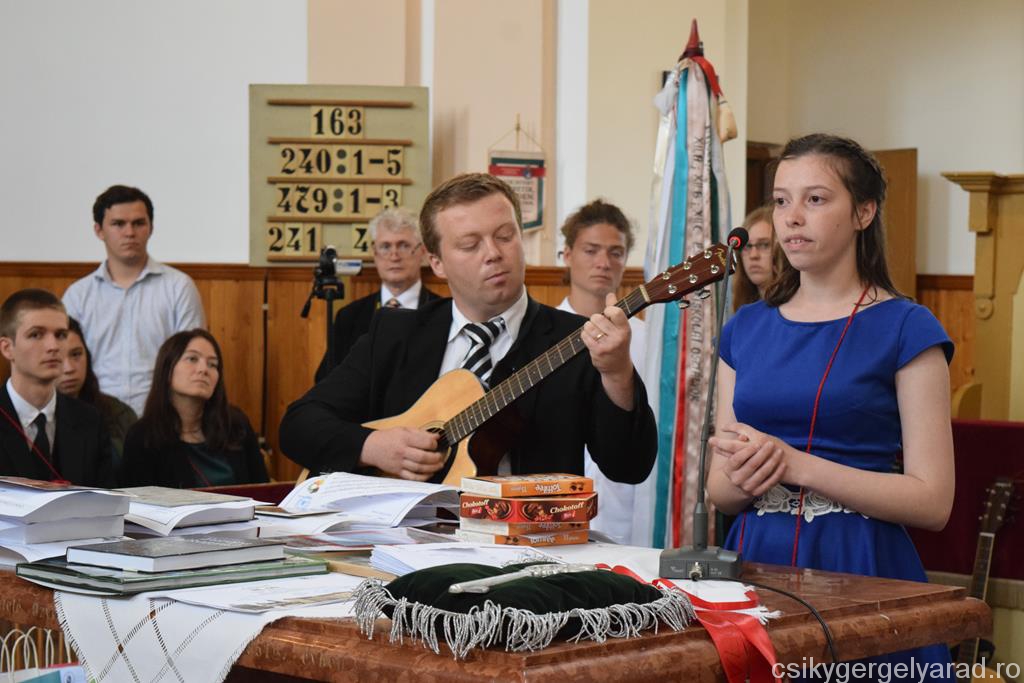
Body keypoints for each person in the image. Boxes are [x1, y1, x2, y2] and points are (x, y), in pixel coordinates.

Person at [707, 134, 955, 678]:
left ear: (864, 212)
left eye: (815, 199)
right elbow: (719, 491)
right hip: (756, 559)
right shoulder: (745, 328)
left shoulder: (907, 328)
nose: (792, 217)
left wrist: (796, 465)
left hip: (860, 563)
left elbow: (933, 501)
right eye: (781, 200)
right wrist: (742, 475)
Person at [281, 173, 657, 483]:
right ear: (437, 262)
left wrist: (617, 373)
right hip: (398, 539)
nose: (493, 253)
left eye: (505, 236)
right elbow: (299, 425)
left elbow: (630, 467)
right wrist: (373, 447)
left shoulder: (575, 338)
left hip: (530, 541)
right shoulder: (395, 334)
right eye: (470, 244)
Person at [63, 185, 206, 415]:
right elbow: (66, 361)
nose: (129, 232)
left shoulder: (179, 287)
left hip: (161, 415)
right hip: (95, 415)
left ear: (151, 228)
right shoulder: (78, 295)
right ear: (99, 230)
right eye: (118, 224)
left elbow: (193, 359)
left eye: (139, 223)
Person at [558, 199, 649, 544]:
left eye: (615, 252)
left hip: (629, 505)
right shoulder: (542, 336)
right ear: (567, 255)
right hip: (558, 504)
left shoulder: (646, 339)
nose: (603, 262)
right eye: (591, 250)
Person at [119, 329, 268, 488]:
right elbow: (136, 499)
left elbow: (263, 490)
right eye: (192, 359)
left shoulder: (236, 425)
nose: (203, 369)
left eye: (212, 364)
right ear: (167, 369)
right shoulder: (143, 436)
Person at [0, 289, 115, 486]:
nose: (53, 346)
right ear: (7, 348)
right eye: (36, 334)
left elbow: (108, 496)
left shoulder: (90, 420)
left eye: (61, 335)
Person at [314, 207, 441, 381]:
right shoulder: (349, 317)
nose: (394, 256)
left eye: (404, 245)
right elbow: (326, 382)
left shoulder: (443, 314)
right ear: (374, 253)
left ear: (423, 252)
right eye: (385, 246)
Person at [58, 318, 138, 465]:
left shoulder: (120, 414)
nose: (69, 368)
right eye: (57, 358)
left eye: (76, 354)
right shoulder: (35, 420)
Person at [732, 204, 780, 310]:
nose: (753, 255)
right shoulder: (743, 309)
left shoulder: (794, 311)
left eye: (764, 245)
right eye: (747, 246)